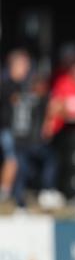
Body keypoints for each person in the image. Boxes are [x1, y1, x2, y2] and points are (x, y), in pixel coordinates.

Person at [10, 72, 61, 210]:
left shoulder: (19, 98)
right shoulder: (40, 99)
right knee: (51, 159)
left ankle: (19, 199)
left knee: (23, 169)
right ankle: (47, 190)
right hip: (33, 141)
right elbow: (55, 108)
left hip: (18, 140)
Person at [0, 49, 32, 203]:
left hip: (19, 132)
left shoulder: (23, 85)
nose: (26, 68)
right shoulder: (5, 84)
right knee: (11, 159)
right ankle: (4, 191)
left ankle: (14, 193)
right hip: (6, 129)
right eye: (24, 65)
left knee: (18, 162)